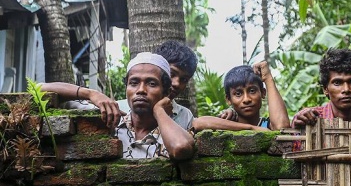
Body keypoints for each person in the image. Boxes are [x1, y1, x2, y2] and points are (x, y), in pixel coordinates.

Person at [41, 52, 194, 160]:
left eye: (151, 83)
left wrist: (159, 110)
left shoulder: (171, 132)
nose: (141, 90)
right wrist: (90, 94)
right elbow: (39, 89)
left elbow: (181, 148)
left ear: (165, 91)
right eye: (134, 83)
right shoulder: (110, 118)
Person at [291, 49, 351, 150]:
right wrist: (297, 130)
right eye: (337, 83)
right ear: (325, 89)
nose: (346, 89)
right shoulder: (307, 119)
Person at [218, 61, 290, 130]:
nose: (246, 99)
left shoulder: (265, 125)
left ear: (263, 93)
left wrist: (268, 78)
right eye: (238, 94)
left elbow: (281, 127)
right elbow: (206, 122)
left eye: (252, 91)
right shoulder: (226, 123)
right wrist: (252, 128)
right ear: (228, 99)